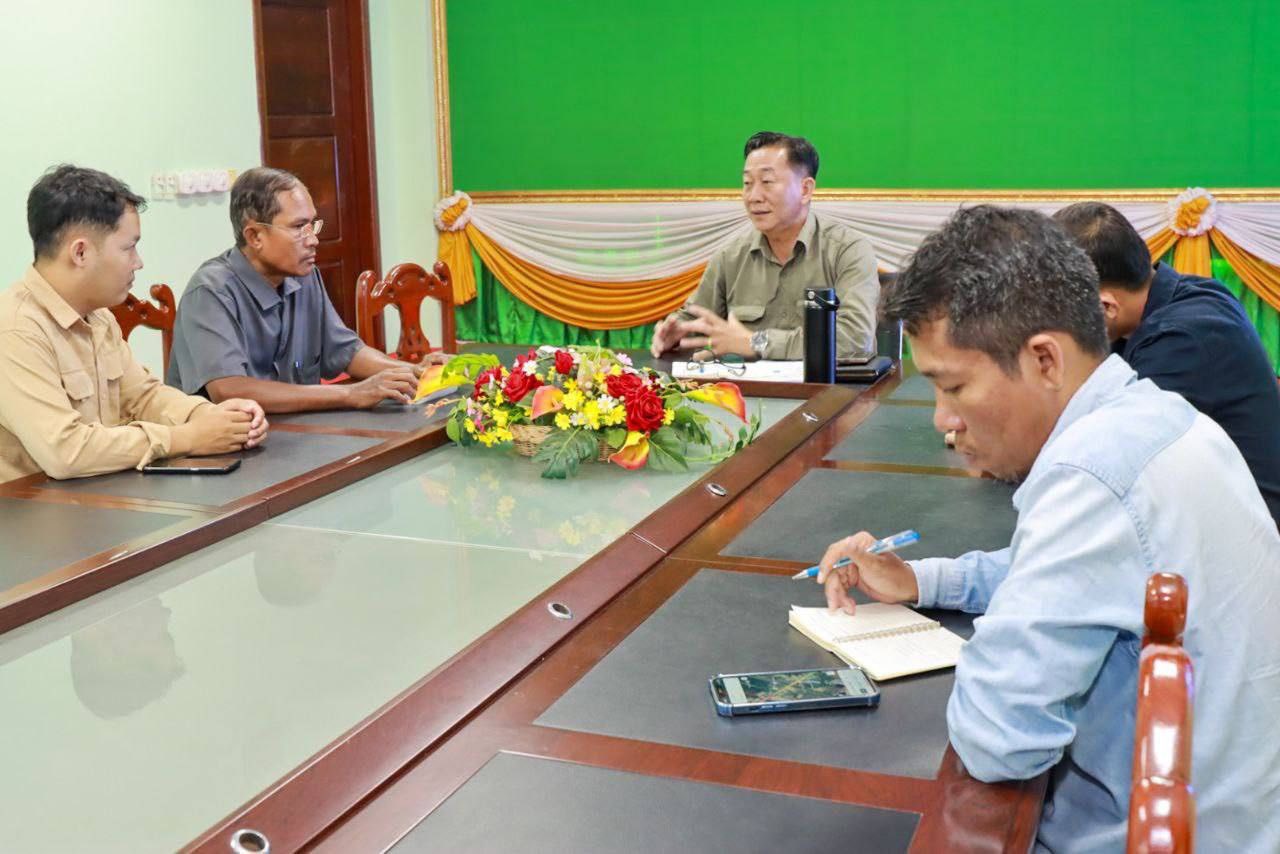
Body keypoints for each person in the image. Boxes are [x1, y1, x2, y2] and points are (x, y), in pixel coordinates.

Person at [817, 206, 1280, 852]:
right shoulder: (1157, 414)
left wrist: (997, 644)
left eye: (954, 387)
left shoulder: (1091, 473)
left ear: (1044, 360)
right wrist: (921, 580)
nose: (941, 420)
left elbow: (996, 737)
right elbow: (1048, 569)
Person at [0, 165, 267, 483]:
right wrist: (189, 438)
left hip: (100, 494)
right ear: (80, 252)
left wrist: (213, 416)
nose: (138, 262)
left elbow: (143, 396)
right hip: (31, 508)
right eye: (128, 248)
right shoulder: (15, 330)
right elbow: (65, 452)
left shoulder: (98, 316)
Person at [1053, 201, 1280, 524]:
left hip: (1253, 529)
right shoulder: (1181, 293)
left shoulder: (1181, 339)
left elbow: (1106, 457)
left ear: (1105, 307)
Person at [167, 167, 435, 413]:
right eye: (298, 227)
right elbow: (229, 390)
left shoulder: (305, 278)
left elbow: (346, 351)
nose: (313, 239)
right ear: (255, 236)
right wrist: (350, 393)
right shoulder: (210, 291)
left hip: (300, 430)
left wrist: (415, 372)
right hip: (226, 441)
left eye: (312, 225)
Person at [650, 131, 878, 362]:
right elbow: (695, 319)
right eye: (747, 184)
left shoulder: (848, 250)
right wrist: (673, 334)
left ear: (805, 189)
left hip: (827, 384)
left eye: (767, 182)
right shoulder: (730, 256)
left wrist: (757, 342)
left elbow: (855, 339)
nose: (753, 196)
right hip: (749, 384)